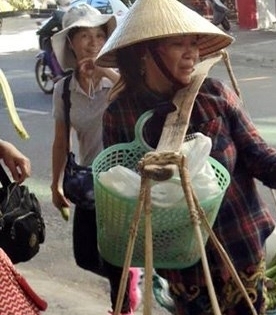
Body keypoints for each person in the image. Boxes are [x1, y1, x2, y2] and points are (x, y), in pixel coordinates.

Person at [95, 0, 276, 314]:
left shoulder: (214, 96)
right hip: (183, 267)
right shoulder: (121, 115)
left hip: (240, 248)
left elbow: (259, 157)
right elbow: (120, 200)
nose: (193, 54)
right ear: (146, 52)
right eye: (178, 44)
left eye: (194, 44)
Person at [48, 4, 141, 315]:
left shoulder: (117, 79)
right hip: (90, 182)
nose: (92, 42)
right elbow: (61, 141)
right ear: (71, 43)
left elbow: (136, 95)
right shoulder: (63, 90)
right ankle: (128, 276)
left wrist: (102, 70)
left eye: (99, 34)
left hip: (123, 179)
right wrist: (54, 183)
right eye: (84, 35)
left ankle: (122, 306)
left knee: (115, 256)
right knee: (84, 255)